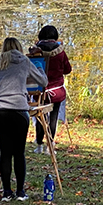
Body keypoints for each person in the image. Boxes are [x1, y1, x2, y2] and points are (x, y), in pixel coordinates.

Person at [0, 37, 47, 201]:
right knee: (19, 153)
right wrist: (39, 69)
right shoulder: (24, 61)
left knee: (5, 153)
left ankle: (6, 193)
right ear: (19, 48)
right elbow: (43, 81)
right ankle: (20, 192)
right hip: (19, 111)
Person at [28, 25, 72, 154]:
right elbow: (67, 70)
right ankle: (50, 146)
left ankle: (39, 145)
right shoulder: (60, 52)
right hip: (56, 91)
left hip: (39, 91)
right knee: (53, 118)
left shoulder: (36, 52)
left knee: (40, 118)